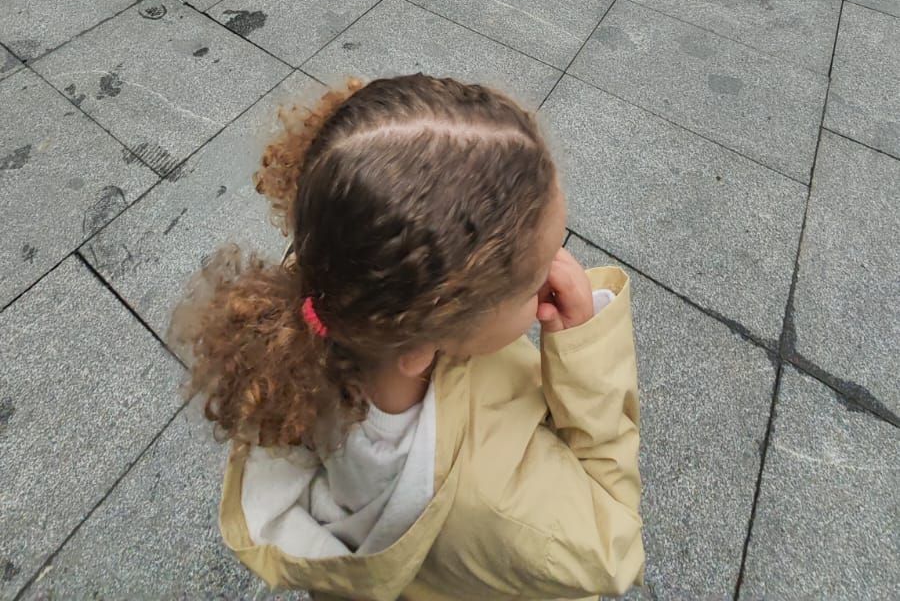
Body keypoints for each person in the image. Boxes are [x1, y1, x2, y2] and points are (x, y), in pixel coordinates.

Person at [171, 73, 644, 600]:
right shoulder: (505, 508)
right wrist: (585, 351)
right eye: (533, 279)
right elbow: (615, 546)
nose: (560, 269)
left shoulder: (330, 314)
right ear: (427, 345)